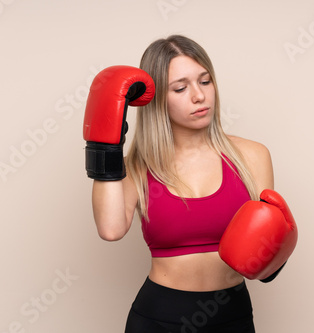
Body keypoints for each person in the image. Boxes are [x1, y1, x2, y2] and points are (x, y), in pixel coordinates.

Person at [83, 35, 297, 332]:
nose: (199, 96)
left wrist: (273, 255)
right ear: (157, 99)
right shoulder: (137, 166)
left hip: (231, 314)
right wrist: (105, 147)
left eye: (205, 81)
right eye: (181, 88)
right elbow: (110, 229)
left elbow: (266, 251)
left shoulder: (252, 156)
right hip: (159, 316)